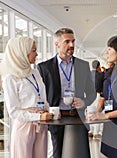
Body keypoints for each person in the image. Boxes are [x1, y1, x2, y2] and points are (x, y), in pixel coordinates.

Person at [37, 28, 96, 158]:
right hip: (56, 118)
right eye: (67, 41)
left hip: (78, 117)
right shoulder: (44, 67)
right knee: (58, 153)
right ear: (57, 44)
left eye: (73, 41)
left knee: (81, 153)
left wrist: (84, 102)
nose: (72, 45)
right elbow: (40, 95)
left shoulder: (83, 65)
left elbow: (92, 93)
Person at [0, 37, 53, 158]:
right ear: (22, 52)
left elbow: (42, 98)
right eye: (33, 50)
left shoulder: (35, 72)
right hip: (25, 126)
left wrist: (49, 110)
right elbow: (13, 112)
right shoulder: (10, 78)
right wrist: (38, 116)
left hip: (41, 124)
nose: (37, 53)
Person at [88, 60, 105, 138]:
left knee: (90, 113)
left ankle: (90, 131)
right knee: (97, 113)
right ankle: (96, 133)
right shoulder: (101, 75)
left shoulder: (88, 75)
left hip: (89, 96)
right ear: (99, 66)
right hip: (98, 95)